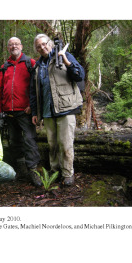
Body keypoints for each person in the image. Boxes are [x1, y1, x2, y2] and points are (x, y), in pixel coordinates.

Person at [30, 34, 85, 186]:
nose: (42, 47)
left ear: (50, 43)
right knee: (52, 144)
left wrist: (66, 61)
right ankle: (55, 172)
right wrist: (35, 112)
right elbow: (34, 91)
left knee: (65, 144)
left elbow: (80, 75)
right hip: (47, 111)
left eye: (44, 44)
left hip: (66, 108)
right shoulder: (38, 66)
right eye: (38, 46)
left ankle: (68, 174)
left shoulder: (64, 56)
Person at [0, 36, 42, 187]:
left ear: (21, 46)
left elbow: (36, 87)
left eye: (16, 44)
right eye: (11, 44)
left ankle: (33, 170)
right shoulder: (5, 66)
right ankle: (18, 169)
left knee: (29, 140)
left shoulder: (30, 63)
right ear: (8, 48)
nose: (14, 46)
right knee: (13, 141)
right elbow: (0, 89)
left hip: (25, 110)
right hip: (9, 111)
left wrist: (32, 106)